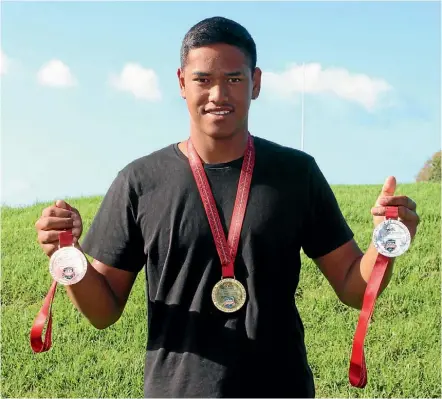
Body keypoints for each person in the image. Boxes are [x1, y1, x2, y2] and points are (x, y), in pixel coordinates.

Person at [35, 16, 420, 398]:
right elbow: (103, 312)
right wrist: (69, 256)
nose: (218, 94)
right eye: (203, 79)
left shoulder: (295, 174)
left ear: (255, 84)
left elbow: (354, 286)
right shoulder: (140, 181)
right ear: (182, 83)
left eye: (234, 79)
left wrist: (385, 243)